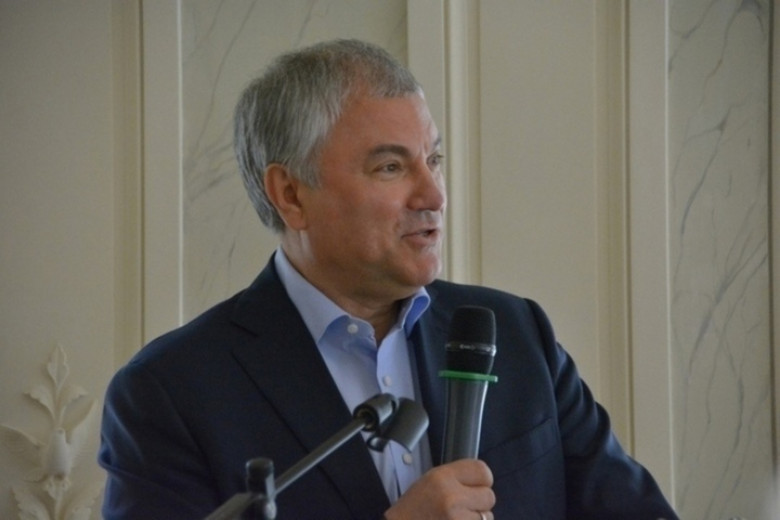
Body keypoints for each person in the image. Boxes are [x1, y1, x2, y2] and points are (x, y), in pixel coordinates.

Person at [98, 39, 678, 520]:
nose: (434, 195)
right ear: (291, 195)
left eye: (435, 160)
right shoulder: (170, 393)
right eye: (391, 167)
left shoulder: (517, 332)